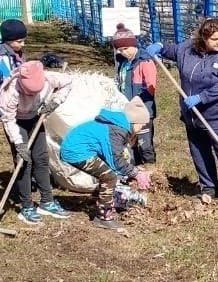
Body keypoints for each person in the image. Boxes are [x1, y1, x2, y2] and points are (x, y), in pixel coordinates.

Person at [145, 17, 218, 209]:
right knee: (199, 151)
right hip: (192, 115)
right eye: (214, 39)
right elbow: (172, 50)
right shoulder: (187, 50)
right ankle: (208, 187)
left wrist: (203, 97)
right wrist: (159, 46)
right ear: (203, 39)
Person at [0, 60, 74, 226]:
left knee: (42, 158)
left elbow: (68, 82)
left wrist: (55, 101)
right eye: (29, 93)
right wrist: (19, 144)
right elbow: (8, 119)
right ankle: (27, 207)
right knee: (24, 162)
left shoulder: (48, 77)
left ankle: (47, 202)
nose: (31, 95)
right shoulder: (10, 90)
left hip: (35, 118)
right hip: (17, 122)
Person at [59, 99, 154, 230]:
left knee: (108, 173)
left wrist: (131, 170)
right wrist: (136, 173)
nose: (142, 128)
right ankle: (104, 217)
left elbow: (114, 158)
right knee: (109, 177)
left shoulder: (117, 126)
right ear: (134, 122)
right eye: (142, 125)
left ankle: (102, 199)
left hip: (80, 148)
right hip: (76, 152)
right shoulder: (118, 131)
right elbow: (116, 161)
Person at [112, 25, 157, 164]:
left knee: (145, 145)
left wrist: (137, 101)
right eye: (119, 50)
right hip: (125, 111)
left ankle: (151, 171)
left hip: (142, 111)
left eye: (125, 49)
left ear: (133, 44)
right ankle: (136, 171)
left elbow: (151, 87)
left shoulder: (145, 61)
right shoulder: (122, 63)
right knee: (131, 145)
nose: (123, 52)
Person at [0, 18, 27, 121]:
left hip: (21, 100)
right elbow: (8, 78)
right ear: (8, 40)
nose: (23, 44)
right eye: (19, 41)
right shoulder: (1, 58)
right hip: (9, 103)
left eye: (24, 41)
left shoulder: (16, 53)